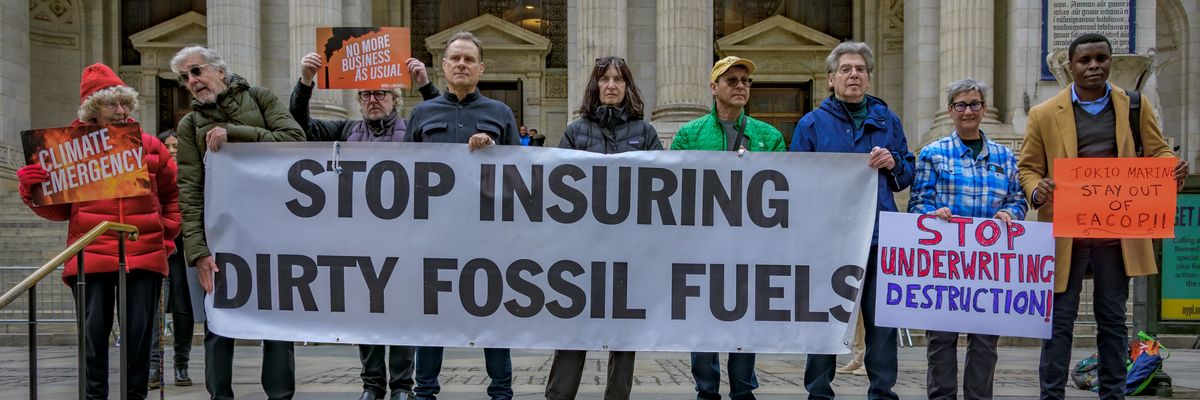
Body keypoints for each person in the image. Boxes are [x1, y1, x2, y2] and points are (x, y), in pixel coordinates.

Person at [1018, 33, 1188, 400]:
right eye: (1085, 60)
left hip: (1117, 235)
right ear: (1071, 66)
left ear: (1110, 61)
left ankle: (1113, 394)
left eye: (1101, 58)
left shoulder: (1134, 106)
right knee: (1058, 324)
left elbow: (1158, 152)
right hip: (1065, 235)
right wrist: (1037, 189)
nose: (1094, 66)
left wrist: (1170, 168)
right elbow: (1028, 169)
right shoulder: (1043, 114)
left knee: (1112, 322)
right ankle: (1052, 395)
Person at [15, 63, 180, 400]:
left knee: (139, 339)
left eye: (125, 104)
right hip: (90, 254)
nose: (121, 112)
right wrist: (30, 190)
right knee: (92, 340)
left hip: (143, 254)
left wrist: (165, 236)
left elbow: (172, 196)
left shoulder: (151, 146)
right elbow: (58, 211)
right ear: (93, 110)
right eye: (111, 104)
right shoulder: (66, 152)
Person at [290, 52, 439, 400]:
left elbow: (442, 127)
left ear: (395, 100)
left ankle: (402, 386)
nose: (373, 100)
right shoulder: (345, 131)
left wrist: (426, 85)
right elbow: (299, 127)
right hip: (361, 242)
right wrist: (306, 81)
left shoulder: (414, 130)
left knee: (402, 314)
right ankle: (372, 386)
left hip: (405, 241)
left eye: (381, 94)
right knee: (367, 316)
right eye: (365, 95)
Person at [171, 45, 306, 400]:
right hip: (223, 239)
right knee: (220, 324)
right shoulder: (189, 125)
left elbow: (294, 140)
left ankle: (280, 395)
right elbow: (189, 190)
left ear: (219, 70)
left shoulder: (260, 98)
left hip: (273, 232)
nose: (192, 81)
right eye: (185, 77)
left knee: (277, 321)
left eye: (196, 71)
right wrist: (198, 252)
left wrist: (236, 133)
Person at [790, 41, 914, 400]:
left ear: (869, 78)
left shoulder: (888, 120)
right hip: (829, 242)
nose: (853, 75)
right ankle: (818, 392)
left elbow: (907, 175)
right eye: (845, 69)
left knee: (881, 324)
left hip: (879, 237)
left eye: (860, 69)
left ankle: (881, 392)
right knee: (824, 323)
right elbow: (797, 182)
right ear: (831, 79)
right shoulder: (811, 123)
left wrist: (894, 163)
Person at [403, 31, 518, 400]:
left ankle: (501, 392)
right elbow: (405, 175)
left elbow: (520, 173)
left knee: (491, 316)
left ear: (481, 68)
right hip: (435, 236)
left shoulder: (500, 114)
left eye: (469, 59)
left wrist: (494, 151)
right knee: (432, 316)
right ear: (444, 66)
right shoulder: (421, 114)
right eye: (455, 58)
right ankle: (425, 391)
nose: (462, 65)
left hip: (487, 237)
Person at [545, 56, 661, 400]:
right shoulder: (575, 131)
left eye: (618, 79)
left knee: (624, 337)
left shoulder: (646, 132)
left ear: (628, 87)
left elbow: (659, 187)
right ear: (595, 87)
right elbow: (557, 189)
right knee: (573, 331)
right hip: (582, 252)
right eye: (605, 79)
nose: (611, 85)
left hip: (629, 251)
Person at [671, 55, 785, 400]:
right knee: (702, 319)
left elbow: (785, 189)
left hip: (748, 246)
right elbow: (675, 187)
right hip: (701, 246)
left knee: (743, 317)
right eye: (732, 80)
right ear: (713, 87)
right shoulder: (689, 134)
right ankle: (706, 389)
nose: (740, 86)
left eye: (746, 81)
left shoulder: (769, 135)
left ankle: (742, 388)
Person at [909, 78, 1028, 400]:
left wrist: (1010, 216)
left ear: (983, 109)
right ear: (950, 111)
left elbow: (1018, 200)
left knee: (986, 343)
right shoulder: (933, 154)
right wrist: (934, 213)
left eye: (974, 104)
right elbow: (918, 202)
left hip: (988, 267)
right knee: (941, 342)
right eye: (960, 105)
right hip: (944, 266)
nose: (968, 111)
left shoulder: (1004, 157)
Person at [147, 129, 196, 390]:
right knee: (155, 309)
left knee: (182, 309)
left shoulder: (192, 171)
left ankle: (181, 364)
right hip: (161, 245)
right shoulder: (155, 172)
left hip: (184, 251)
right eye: (169, 146)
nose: (174, 150)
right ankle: (154, 365)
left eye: (177, 145)